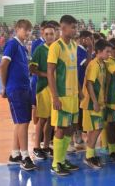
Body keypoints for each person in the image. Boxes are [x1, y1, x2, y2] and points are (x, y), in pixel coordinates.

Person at [0, 19, 37, 171]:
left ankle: (15, 155)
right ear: (17, 29)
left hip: (24, 88)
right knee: (23, 123)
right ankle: (25, 156)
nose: (27, 33)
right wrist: (5, 86)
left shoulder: (23, 48)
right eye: (24, 29)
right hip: (15, 89)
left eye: (29, 30)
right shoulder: (12, 44)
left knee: (21, 122)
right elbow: (3, 65)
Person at [47, 15, 81, 175]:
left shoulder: (74, 45)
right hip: (61, 95)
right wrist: (54, 96)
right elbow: (50, 73)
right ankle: (56, 163)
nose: (75, 30)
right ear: (63, 27)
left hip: (73, 96)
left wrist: (79, 89)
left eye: (75, 27)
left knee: (70, 128)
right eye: (72, 27)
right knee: (60, 128)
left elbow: (74, 70)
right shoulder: (56, 46)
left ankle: (62, 159)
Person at [80, 39, 113, 169]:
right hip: (91, 104)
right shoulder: (94, 65)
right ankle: (89, 157)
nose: (109, 54)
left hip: (98, 103)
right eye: (107, 51)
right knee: (95, 129)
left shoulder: (102, 64)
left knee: (96, 129)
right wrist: (94, 102)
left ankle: (91, 154)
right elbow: (89, 84)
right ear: (99, 52)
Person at [30, 23, 56, 160]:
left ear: (55, 34)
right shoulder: (40, 50)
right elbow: (32, 68)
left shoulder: (58, 48)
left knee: (51, 120)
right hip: (43, 88)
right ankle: (36, 147)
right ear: (43, 35)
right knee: (42, 119)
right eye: (46, 34)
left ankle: (46, 146)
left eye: (51, 33)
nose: (49, 36)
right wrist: (46, 75)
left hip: (55, 89)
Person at [75, 30, 94, 150]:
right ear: (83, 39)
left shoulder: (85, 51)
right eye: (90, 39)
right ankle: (77, 134)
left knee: (82, 111)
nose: (92, 41)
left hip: (85, 86)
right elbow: (88, 64)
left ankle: (81, 133)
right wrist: (91, 49)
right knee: (78, 112)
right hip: (79, 86)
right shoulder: (79, 50)